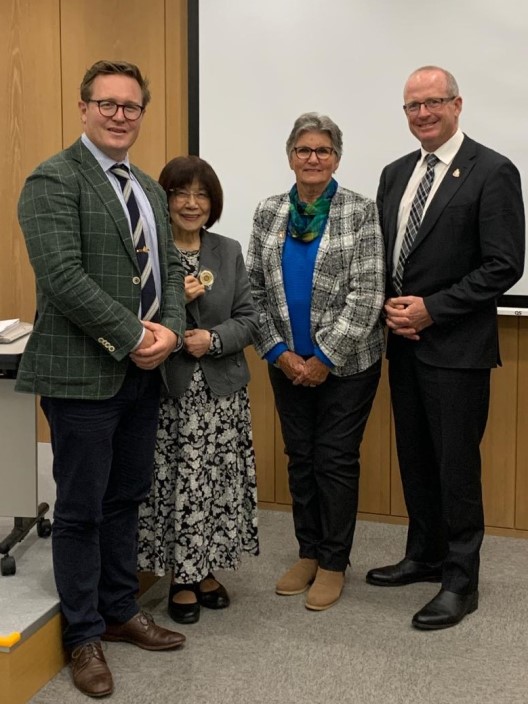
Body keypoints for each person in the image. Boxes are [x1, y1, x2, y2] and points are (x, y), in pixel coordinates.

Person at [16, 60, 187, 698]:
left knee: (126, 498)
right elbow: (62, 278)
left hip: (143, 376)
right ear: (84, 107)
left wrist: (168, 329)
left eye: (132, 107)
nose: (120, 115)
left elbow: (169, 267)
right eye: (108, 104)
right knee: (83, 509)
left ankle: (119, 610)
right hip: (83, 375)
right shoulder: (53, 179)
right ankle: (82, 633)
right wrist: (137, 335)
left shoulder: (144, 183)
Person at [366, 66, 525, 630]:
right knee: (416, 459)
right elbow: (389, 255)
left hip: (457, 348)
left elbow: (505, 264)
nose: (423, 113)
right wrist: (390, 305)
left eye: (434, 102)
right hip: (404, 346)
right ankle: (424, 555)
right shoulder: (394, 174)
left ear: (458, 104)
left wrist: (433, 308)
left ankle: (461, 581)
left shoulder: (493, 170)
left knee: (456, 466)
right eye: (413, 106)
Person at [246, 112, 385, 612]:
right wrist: (280, 353)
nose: (312, 158)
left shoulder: (360, 211)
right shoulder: (267, 211)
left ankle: (332, 561)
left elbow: (369, 294)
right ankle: (308, 550)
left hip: (347, 365)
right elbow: (253, 292)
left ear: (337, 159)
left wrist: (325, 356)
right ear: (290, 157)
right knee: (300, 459)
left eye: (322, 151)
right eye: (303, 150)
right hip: (285, 363)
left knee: (334, 460)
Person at [137, 156, 260, 624]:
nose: (191, 204)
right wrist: (175, 299)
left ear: (213, 202)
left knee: (216, 484)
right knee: (176, 485)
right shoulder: (148, 251)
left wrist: (214, 339)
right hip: (167, 391)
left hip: (220, 394)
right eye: (180, 193)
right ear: (164, 200)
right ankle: (180, 578)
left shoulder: (227, 250)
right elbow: (134, 313)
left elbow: (249, 316)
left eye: (201, 194)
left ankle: (206, 568)